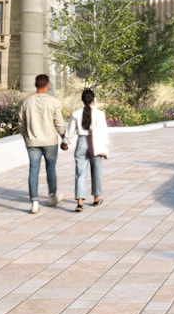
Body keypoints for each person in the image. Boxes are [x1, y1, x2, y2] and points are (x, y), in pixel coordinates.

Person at [19, 74, 67, 214]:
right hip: (50, 141)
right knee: (51, 169)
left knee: (33, 170)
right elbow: (58, 122)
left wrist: (26, 136)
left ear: (35, 85)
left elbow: (21, 124)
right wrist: (64, 137)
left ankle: (34, 201)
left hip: (32, 141)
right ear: (48, 85)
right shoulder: (54, 102)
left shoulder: (26, 102)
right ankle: (52, 196)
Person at [65, 89, 109, 212]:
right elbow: (104, 132)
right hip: (95, 143)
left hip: (81, 143)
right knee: (97, 171)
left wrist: (65, 142)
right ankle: (96, 198)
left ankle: (80, 202)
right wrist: (105, 147)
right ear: (93, 99)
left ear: (82, 100)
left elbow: (70, 132)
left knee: (80, 173)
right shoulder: (100, 114)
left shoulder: (75, 113)